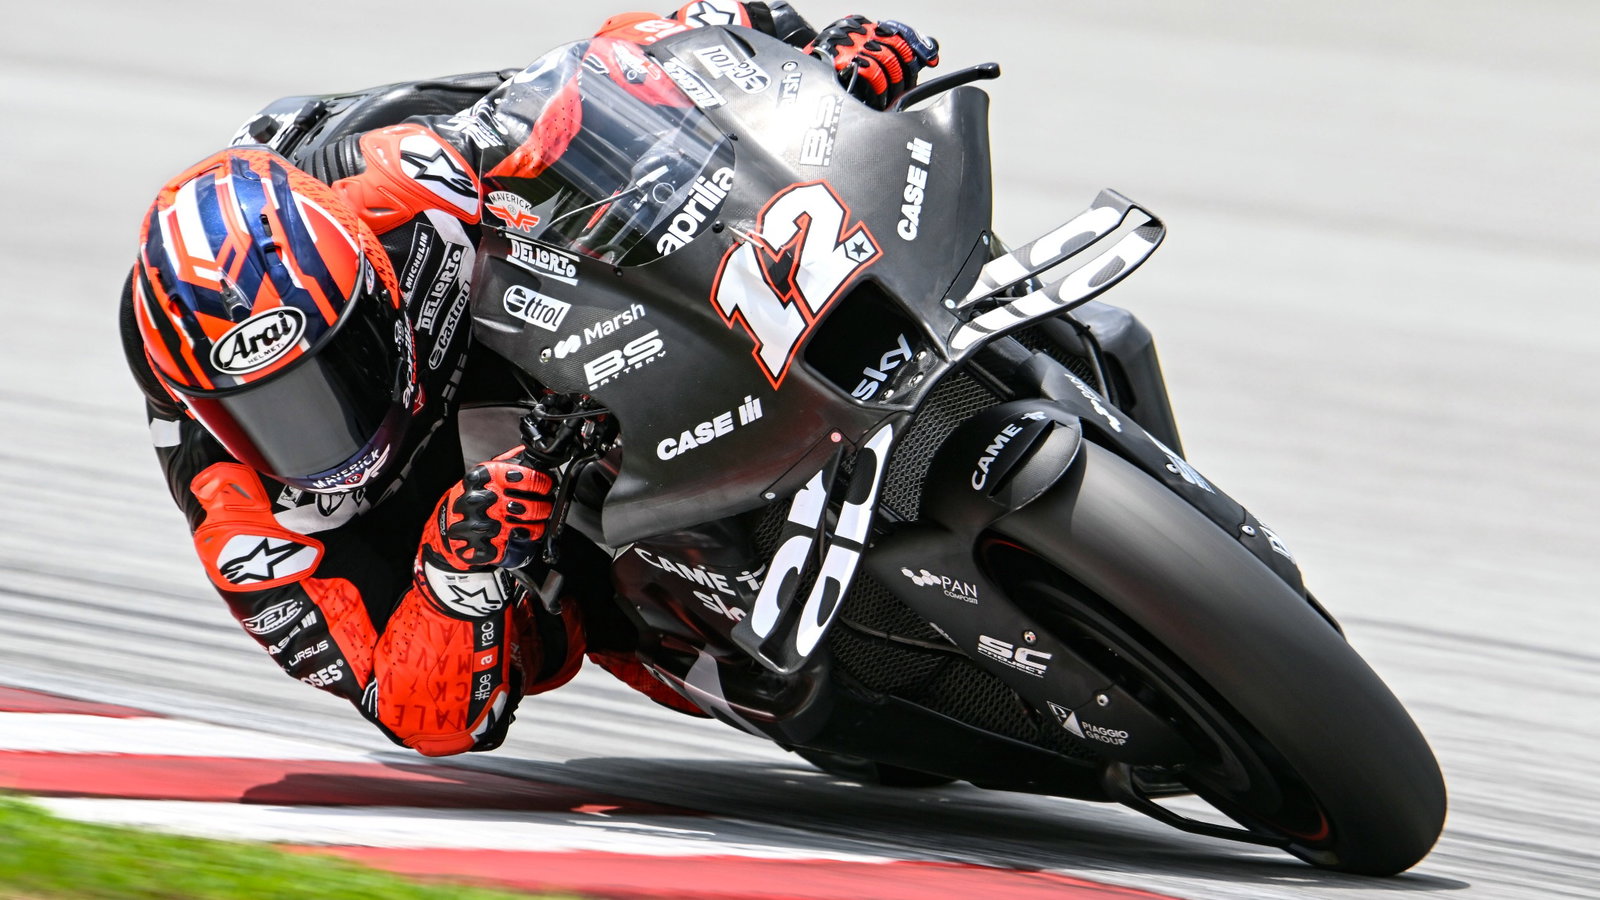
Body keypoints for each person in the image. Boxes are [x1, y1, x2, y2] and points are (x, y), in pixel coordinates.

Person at [122, 2, 940, 757]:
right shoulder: (238, 517)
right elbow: (417, 715)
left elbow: (614, 74)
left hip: (551, 330)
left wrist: (808, 72)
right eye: (268, 411)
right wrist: (455, 577)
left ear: (374, 286)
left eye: (341, 368)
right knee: (792, 702)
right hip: (472, 523)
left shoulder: (395, 171)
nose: (328, 424)